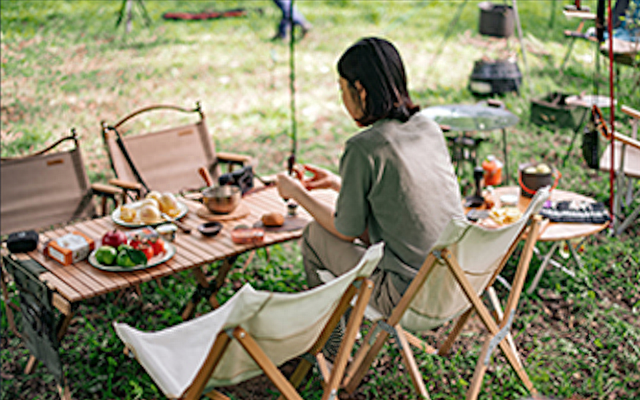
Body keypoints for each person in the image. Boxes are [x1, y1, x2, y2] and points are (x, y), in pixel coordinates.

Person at [276, 37, 464, 318]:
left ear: (360, 90)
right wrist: (336, 183)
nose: (342, 98)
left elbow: (346, 230)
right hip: (458, 286)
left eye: (342, 88)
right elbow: (400, 199)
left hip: (408, 299)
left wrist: (296, 193)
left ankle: (329, 350)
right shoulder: (428, 127)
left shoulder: (363, 147)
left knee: (314, 235)